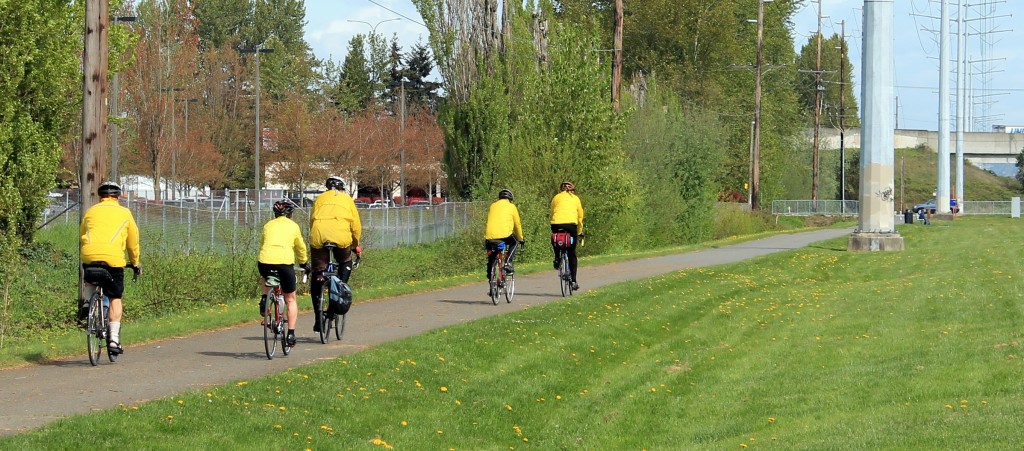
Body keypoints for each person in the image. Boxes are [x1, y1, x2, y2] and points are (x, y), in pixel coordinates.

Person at [80, 181, 141, 356]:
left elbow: (82, 234)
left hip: (89, 256)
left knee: (90, 274)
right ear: (118, 196)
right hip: (113, 260)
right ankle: (113, 339)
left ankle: (87, 301)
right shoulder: (124, 213)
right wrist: (135, 263)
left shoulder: (90, 212)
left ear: (100, 197)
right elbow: (132, 242)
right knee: (115, 297)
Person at [309, 176, 362, 332]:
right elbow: (355, 226)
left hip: (319, 235)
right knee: (345, 261)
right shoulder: (347, 200)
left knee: (318, 272)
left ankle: (318, 318)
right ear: (342, 188)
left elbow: (312, 220)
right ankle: (341, 286)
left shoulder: (319, 199)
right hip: (341, 237)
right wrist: (355, 244)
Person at [258, 200, 309, 347]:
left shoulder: (268, 225)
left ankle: (264, 299)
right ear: (290, 214)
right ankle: (291, 334)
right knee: (290, 299)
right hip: (285, 264)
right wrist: (304, 263)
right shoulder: (293, 226)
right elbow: (300, 248)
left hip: (265, 261)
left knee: (265, 277)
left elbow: (263, 244)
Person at [484, 189, 523, 295]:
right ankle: (508, 263)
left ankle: (491, 284)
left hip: (490, 237)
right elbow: (517, 224)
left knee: (491, 259)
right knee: (515, 242)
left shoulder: (493, 206)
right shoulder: (511, 206)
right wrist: (521, 238)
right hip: (505, 235)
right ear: (510, 199)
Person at [550, 181, 584, 291]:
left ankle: (557, 257)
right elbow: (580, 218)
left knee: (556, 238)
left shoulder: (556, 197)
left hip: (556, 224)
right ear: (572, 190)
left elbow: (552, 212)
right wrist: (579, 232)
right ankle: (573, 281)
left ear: (561, 189)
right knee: (571, 252)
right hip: (571, 226)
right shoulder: (575, 199)